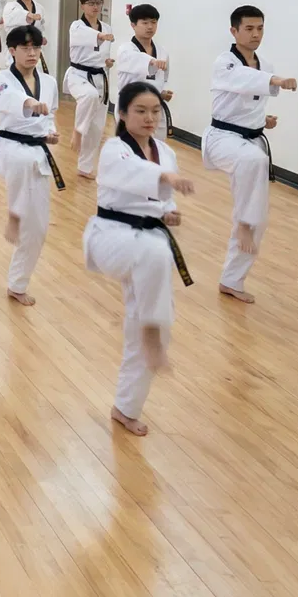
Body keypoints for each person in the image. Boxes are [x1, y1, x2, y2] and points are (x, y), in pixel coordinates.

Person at [83, 81, 196, 438]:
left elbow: (166, 202)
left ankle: (126, 408)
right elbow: (135, 177)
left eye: (155, 112)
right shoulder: (114, 149)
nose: (150, 118)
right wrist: (166, 177)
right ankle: (150, 328)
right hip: (111, 237)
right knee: (156, 253)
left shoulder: (165, 151)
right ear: (122, 114)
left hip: (148, 241)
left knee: (157, 327)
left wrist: (170, 213)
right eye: (141, 111)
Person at [204, 5, 298, 304]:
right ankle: (243, 222)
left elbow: (249, 104)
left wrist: (262, 121)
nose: (256, 34)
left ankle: (232, 279)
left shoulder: (264, 62)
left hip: (249, 140)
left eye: (260, 28)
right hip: (222, 139)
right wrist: (276, 80)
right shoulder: (224, 63)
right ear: (234, 31)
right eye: (249, 28)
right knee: (254, 162)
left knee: (261, 219)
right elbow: (241, 80)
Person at [0, 25, 61, 306]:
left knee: (39, 227)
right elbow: (11, 101)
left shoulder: (50, 83)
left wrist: (51, 131)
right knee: (23, 160)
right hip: (7, 147)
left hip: (37, 151)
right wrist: (31, 102)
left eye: (36, 48)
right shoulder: (2, 79)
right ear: (13, 50)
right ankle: (14, 213)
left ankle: (17, 284)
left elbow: (50, 115)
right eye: (25, 48)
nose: (32, 53)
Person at [65, 0, 116, 179]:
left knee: (97, 127)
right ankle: (78, 131)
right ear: (82, 6)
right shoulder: (76, 26)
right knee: (89, 96)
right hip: (79, 75)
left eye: (98, 3)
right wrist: (100, 37)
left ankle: (85, 167)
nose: (95, 7)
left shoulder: (107, 27)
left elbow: (100, 55)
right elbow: (84, 37)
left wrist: (106, 62)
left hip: (100, 77)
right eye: (91, 3)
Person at [112, 4, 173, 136]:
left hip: (155, 108)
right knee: (132, 150)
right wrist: (152, 61)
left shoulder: (162, 52)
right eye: (145, 23)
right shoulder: (126, 49)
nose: (150, 27)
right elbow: (137, 59)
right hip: (132, 107)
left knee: (155, 150)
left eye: (153, 22)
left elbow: (164, 78)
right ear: (133, 25)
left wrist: (162, 92)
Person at [1, 0, 48, 75]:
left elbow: (41, 28)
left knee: (36, 78)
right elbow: (13, 19)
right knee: (16, 78)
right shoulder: (11, 7)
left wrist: (42, 38)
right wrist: (29, 15)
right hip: (17, 49)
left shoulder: (40, 8)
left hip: (34, 51)